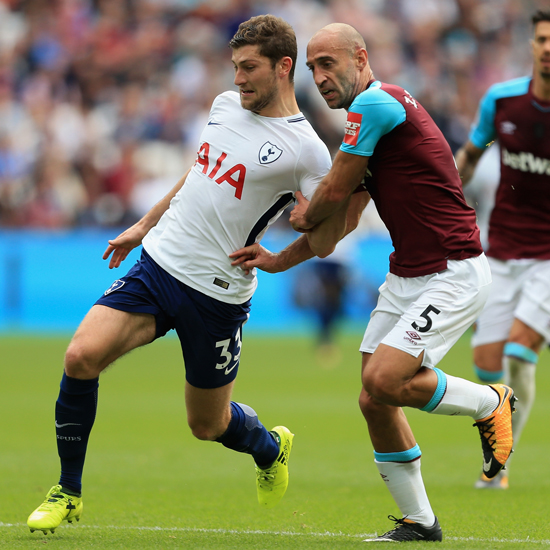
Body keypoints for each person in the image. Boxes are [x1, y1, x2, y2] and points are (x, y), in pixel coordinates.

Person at [26, 14, 366, 535]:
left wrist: (295, 235)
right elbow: (199, 170)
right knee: (80, 356)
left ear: (283, 67)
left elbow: (326, 238)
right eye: (234, 67)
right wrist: (144, 224)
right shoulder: (225, 106)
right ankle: (67, 491)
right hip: (159, 266)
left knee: (206, 424)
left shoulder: (307, 150)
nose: (237, 79)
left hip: (217, 295)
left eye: (248, 68)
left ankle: (270, 447)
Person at [230, 23, 516, 543]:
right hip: (408, 274)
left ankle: (490, 403)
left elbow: (329, 197)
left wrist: (303, 214)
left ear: (360, 58)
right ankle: (420, 521)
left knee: (385, 380)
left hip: (453, 270)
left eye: (328, 64)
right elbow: (336, 226)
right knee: (374, 397)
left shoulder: (380, 104)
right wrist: (278, 260)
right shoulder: (364, 137)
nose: (319, 77)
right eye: (312, 68)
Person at [454, 10, 550, 490]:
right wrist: (445, 205)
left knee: (518, 352)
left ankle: (500, 464)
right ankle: (497, 450)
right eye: (542, 39)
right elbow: (468, 157)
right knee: (487, 366)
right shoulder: (502, 101)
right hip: (502, 252)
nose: (549, 47)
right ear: (531, 44)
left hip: (549, 261)